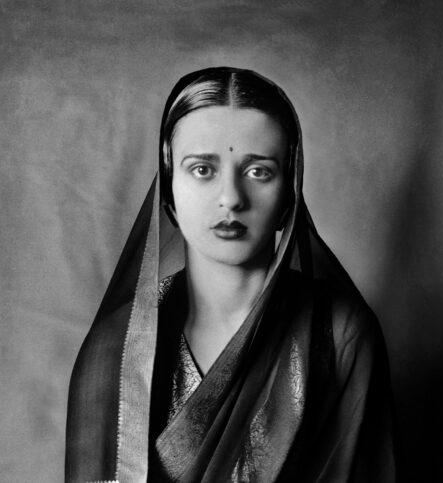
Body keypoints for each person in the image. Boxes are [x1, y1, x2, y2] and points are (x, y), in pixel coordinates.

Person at [66, 67, 399, 482]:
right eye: (202, 169)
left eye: (258, 171)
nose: (231, 198)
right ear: (169, 188)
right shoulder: (117, 347)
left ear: (289, 193)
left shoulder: (338, 335)